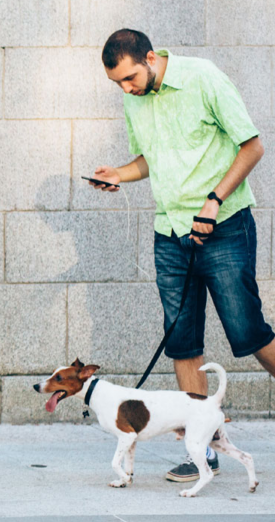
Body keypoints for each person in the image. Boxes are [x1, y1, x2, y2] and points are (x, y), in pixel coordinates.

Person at [93, 28, 275, 484]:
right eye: (118, 84)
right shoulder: (133, 97)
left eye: (131, 78)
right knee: (182, 341)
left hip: (224, 225)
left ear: (151, 58)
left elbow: (252, 145)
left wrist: (213, 200)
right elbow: (151, 158)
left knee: (247, 331)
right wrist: (120, 172)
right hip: (170, 232)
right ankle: (205, 455)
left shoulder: (203, 78)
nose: (126, 89)